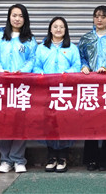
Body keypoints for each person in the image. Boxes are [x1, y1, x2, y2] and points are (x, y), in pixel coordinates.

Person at [0, 3, 38, 174]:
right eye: (14, 15)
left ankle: (18, 159)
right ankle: (5, 159)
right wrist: (1, 70)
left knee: (20, 123)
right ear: (9, 17)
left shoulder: (30, 40)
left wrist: (22, 72)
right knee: (4, 123)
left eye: (21, 16)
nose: (17, 19)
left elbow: (33, 59)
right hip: (2, 86)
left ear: (25, 19)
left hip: (22, 87)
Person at [78, 5, 106, 171]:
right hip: (90, 85)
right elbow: (80, 57)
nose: (99, 19)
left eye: (103, 17)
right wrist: (84, 66)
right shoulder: (86, 38)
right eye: (97, 16)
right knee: (90, 122)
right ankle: (90, 159)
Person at [33, 16, 81, 173]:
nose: (58, 29)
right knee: (48, 123)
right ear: (50, 29)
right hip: (46, 91)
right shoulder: (42, 48)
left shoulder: (72, 48)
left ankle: (63, 157)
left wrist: (66, 74)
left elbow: (77, 66)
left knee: (64, 123)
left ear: (66, 30)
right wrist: (41, 74)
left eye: (61, 27)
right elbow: (36, 66)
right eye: (55, 26)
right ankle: (51, 156)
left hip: (64, 92)